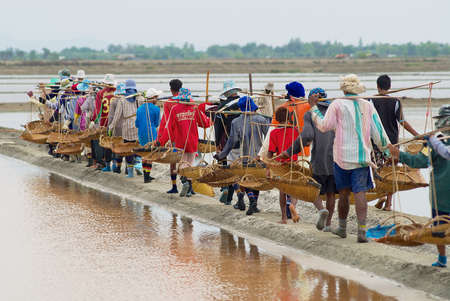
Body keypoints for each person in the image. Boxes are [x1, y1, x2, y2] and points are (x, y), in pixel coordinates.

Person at [308, 74, 391, 243]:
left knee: (344, 194)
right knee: (360, 192)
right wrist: (389, 152)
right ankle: (362, 231)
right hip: (361, 158)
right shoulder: (367, 105)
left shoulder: (337, 104)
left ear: (344, 89)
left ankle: (343, 228)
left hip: (341, 158)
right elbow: (379, 134)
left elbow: (324, 126)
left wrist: (314, 108)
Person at [388, 105, 450, 267]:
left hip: (441, 193)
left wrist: (399, 154)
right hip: (441, 192)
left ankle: (442, 258)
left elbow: (420, 161)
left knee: (439, 224)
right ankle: (442, 258)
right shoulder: (436, 141)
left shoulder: (436, 141)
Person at [282, 88, 336, 231]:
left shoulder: (310, 114)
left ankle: (321, 210)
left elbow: (307, 136)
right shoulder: (335, 112)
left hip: (319, 159)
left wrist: (289, 152)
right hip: (336, 159)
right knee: (331, 192)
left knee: (314, 189)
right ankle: (329, 223)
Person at [370, 74, 419, 211]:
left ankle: (381, 195)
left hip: (376, 142)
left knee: (377, 168)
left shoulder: (370, 101)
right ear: (389, 87)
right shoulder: (396, 101)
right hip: (392, 143)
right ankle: (388, 204)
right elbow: (402, 122)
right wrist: (417, 135)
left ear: (378, 86)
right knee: (391, 171)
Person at [215, 96, 270, 215]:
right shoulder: (261, 119)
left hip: (245, 156)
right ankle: (253, 202)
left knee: (246, 178)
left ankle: (251, 201)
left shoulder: (237, 122)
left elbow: (232, 142)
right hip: (259, 156)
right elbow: (268, 138)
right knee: (255, 179)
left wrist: (221, 155)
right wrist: (270, 154)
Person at [158, 88, 212, 197]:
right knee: (190, 165)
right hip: (192, 141)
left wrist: (161, 141)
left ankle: (185, 182)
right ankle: (189, 189)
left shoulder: (175, 109)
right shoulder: (194, 108)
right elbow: (204, 123)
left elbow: (169, 127)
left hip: (180, 142)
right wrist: (212, 119)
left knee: (182, 164)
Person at [210, 80, 242, 206]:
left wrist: (217, 144)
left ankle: (228, 195)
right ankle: (234, 195)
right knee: (241, 168)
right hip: (245, 140)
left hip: (227, 140)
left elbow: (218, 127)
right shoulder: (245, 103)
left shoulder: (222, 107)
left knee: (227, 167)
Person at [267, 106, 300, 224]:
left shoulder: (274, 132)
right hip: (294, 164)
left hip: (281, 165)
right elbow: (300, 147)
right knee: (293, 190)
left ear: (277, 118)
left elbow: (270, 152)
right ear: (289, 117)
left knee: (282, 191)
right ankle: (292, 205)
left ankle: (284, 218)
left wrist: (268, 167)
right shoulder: (295, 131)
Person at [108, 79, 142, 178]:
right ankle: (138, 164)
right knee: (137, 147)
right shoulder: (139, 99)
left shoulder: (122, 100)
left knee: (128, 149)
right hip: (137, 126)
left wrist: (111, 126)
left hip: (126, 127)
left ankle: (130, 172)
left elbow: (117, 116)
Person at [158, 79, 183, 193]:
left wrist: (161, 140)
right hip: (187, 135)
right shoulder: (188, 101)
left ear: (171, 89)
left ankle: (174, 187)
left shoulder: (168, 103)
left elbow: (166, 122)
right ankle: (189, 185)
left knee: (173, 162)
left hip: (174, 136)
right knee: (187, 161)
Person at [135, 88, 161, 183]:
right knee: (150, 155)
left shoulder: (139, 108)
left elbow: (137, 124)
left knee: (144, 154)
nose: (157, 99)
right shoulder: (156, 109)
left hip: (141, 133)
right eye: (156, 97)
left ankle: (146, 176)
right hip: (151, 133)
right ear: (153, 98)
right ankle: (147, 176)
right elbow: (157, 124)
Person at [91, 74, 116, 170]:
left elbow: (98, 110)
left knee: (104, 141)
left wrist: (94, 120)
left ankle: (104, 163)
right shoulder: (117, 92)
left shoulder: (100, 93)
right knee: (114, 141)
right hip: (115, 121)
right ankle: (114, 164)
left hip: (104, 121)